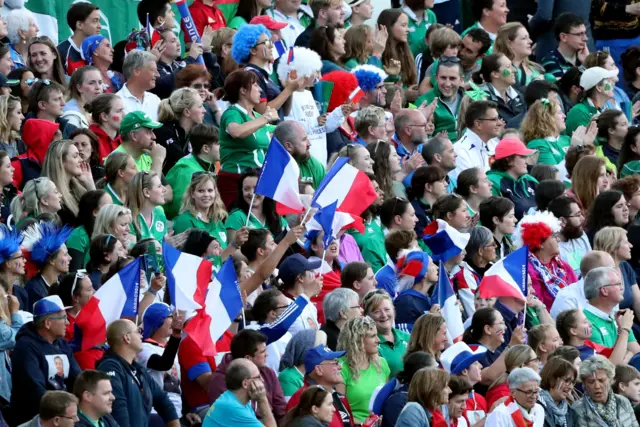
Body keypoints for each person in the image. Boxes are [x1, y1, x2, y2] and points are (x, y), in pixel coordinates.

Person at [11, 295, 81, 424]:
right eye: (63, 318)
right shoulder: (26, 347)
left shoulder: (61, 343)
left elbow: (77, 377)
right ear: (48, 323)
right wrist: (67, 410)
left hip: (64, 414)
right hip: (37, 419)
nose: (67, 322)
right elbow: (34, 390)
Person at [96, 319, 179, 427]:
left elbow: (163, 401)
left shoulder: (138, 369)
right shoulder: (109, 366)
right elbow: (118, 409)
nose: (141, 336)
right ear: (127, 337)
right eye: (138, 332)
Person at [217, 70, 277, 207]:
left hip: (257, 181)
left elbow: (278, 134)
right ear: (243, 91)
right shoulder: (232, 113)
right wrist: (266, 117)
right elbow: (236, 131)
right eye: (255, 85)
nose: (260, 89)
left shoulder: (256, 116)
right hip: (234, 180)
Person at [207, 329, 286, 423]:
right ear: (248, 358)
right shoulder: (220, 382)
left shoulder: (268, 372)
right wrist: (262, 400)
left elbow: (281, 411)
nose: (267, 354)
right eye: (263, 351)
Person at [285, 344, 355, 427]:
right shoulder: (304, 397)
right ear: (319, 370)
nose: (340, 367)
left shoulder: (338, 396)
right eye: (335, 362)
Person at [336, 316, 389, 424]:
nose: (378, 340)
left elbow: (387, 401)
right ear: (357, 340)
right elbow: (339, 411)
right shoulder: (340, 367)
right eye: (373, 336)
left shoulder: (382, 363)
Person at [583, 266, 640, 357]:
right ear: (604, 291)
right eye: (618, 284)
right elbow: (609, 364)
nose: (622, 288)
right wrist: (624, 330)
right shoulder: (586, 323)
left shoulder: (618, 316)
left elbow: (636, 352)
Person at [572, 355, 640, 427]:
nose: (597, 386)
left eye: (601, 380)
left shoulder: (623, 401)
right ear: (584, 384)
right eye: (591, 382)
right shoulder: (578, 410)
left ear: (610, 380)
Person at [225, 170, 287, 243]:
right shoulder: (236, 217)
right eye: (246, 189)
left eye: (256, 188)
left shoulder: (276, 217)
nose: (251, 193)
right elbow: (232, 251)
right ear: (241, 191)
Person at [593, 226, 640, 320]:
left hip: (629, 323)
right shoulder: (597, 273)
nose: (631, 245)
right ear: (613, 246)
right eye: (626, 242)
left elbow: (638, 302)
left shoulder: (625, 266)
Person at [363, 290, 410, 378]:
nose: (384, 315)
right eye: (377, 311)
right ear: (367, 316)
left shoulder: (408, 337)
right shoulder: (366, 343)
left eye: (387, 309)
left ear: (394, 310)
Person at [487, 137, 538, 219]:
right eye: (522, 157)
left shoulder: (530, 180)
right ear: (508, 160)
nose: (527, 161)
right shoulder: (492, 182)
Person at [415, 58, 465, 141]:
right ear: (436, 78)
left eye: (452, 78)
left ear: (461, 80)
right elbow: (417, 139)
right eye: (443, 78)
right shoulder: (423, 103)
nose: (447, 84)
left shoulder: (469, 100)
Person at [440, 342, 488, 425]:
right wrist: (490, 416)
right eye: (476, 363)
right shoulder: (449, 399)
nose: (481, 366)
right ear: (464, 371)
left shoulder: (480, 399)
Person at [451, 100, 501, 181]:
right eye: (494, 119)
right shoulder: (460, 152)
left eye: (498, 118)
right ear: (478, 124)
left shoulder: (495, 144)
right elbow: (467, 187)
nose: (499, 123)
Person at [473, 54, 527, 124]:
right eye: (508, 67)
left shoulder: (519, 96)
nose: (514, 70)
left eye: (512, 66)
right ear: (495, 74)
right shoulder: (480, 97)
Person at [565, 67, 618, 136]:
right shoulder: (579, 112)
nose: (612, 83)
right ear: (599, 88)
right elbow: (585, 143)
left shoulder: (604, 109)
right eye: (608, 81)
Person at [66, 190, 110, 271]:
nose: (113, 210)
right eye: (108, 207)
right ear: (95, 212)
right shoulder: (78, 235)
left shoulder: (108, 233)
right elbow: (74, 272)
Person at [547, 196, 591, 277]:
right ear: (562, 221)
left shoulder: (580, 235)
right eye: (578, 215)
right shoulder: (552, 248)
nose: (583, 218)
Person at [275, 120, 326, 191]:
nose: (309, 143)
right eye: (304, 140)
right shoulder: (273, 169)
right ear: (289, 146)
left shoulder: (313, 165)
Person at [111, 111, 165, 176]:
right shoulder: (119, 161)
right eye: (148, 132)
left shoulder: (147, 154)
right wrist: (157, 160)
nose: (154, 137)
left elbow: (166, 186)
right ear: (134, 135)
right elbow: (153, 186)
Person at [494, 23, 544, 88]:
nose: (530, 41)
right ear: (509, 44)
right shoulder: (504, 72)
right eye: (524, 38)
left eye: (529, 37)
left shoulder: (537, 68)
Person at [377, 9, 417, 90]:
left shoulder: (404, 51)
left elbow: (410, 82)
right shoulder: (377, 54)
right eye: (403, 25)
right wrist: (404, 95)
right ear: (388, 27)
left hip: (407, 102)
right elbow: (375, 87)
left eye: (407, 25)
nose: (408, 29)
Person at [57, 2, 101, 75]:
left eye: (99, 21)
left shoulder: (99, 50)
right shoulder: (61, 52)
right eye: (95, 21)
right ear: (79, 25)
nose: (100, 26)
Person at [541, 13, 590, 79]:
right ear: (563, 37)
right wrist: (585, 65)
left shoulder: (583, 57)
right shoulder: (550, 61)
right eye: (579, 34)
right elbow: (567, 87)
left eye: (585, 33)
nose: (585, 38)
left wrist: (587, 61)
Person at [116, 50, 161, 120]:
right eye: (153, 70)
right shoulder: (116, 102)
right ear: (137, 71)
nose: (158, 74)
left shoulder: (155, 100)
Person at [126, 171, 167, 242]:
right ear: (146, 192)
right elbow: (133, 250)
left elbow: (166, 243)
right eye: (159, 186)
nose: (164, 189)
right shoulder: (128, 218)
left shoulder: (160, 214)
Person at [86, 94, 125, 164]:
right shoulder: (90, 140)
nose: (124, 114)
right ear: (104, 116)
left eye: (123, 110)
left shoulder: (125, 138)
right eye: (119, 111)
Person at [62, 66, 104, 130]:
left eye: (100, 82)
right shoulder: (71, 114)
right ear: (79, 88)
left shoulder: (100, 108)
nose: (98, 87)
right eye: (91, 83)